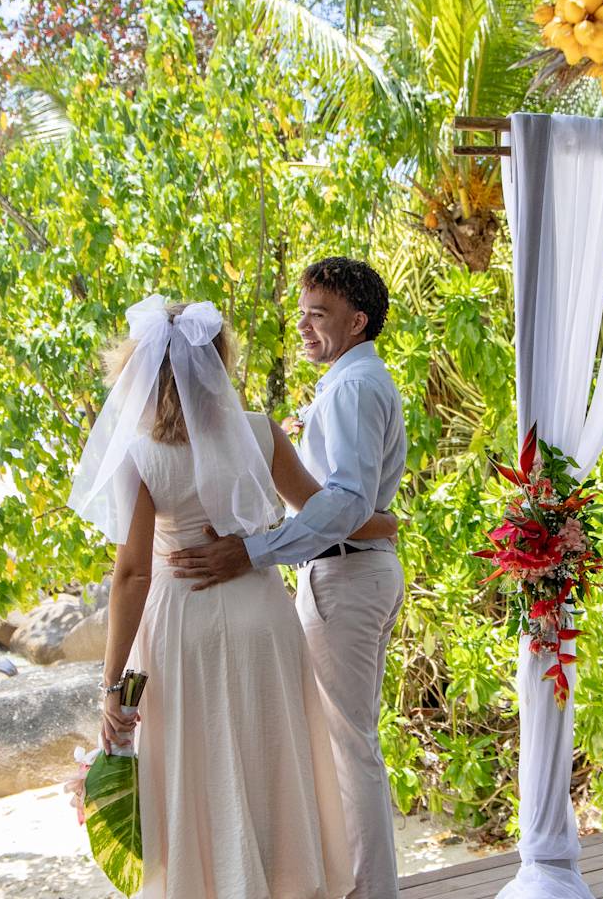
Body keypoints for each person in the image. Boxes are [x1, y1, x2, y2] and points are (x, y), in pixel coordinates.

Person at [69, 294, 397, 899]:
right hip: (262, 617)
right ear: (215, 361)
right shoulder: (258, 433)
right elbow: (323, 508)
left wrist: (112, 683)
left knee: (198, 761)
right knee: (266, 754)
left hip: (182, 619)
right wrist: (383, 522)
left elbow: (133, 574)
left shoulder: (140, 453)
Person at [170, 257, 409, 899]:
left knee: (349, 747)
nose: (302, 326)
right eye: (301, 312)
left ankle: (368, 892)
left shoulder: (355, 386)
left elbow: (349, 499)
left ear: (357, 322)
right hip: (356, 570)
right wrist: (376, 519)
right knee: (345, 743)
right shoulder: (351, 380)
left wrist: (253, 551)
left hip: (345, 579)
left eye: (318, 314)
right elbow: (355, 501)